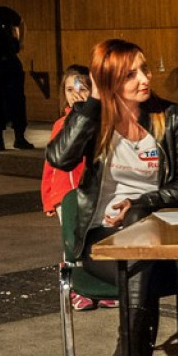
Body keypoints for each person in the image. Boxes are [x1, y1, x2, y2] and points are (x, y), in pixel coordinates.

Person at [45, 39, 178, 356]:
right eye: (131, 73)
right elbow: (59, 158)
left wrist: (143, 202)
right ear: (109, 78)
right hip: (98, 238)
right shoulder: (91, 117)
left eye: (145, 69)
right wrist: (94, 102)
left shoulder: (169, 117)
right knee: (138, 265)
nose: (144, 79)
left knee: (141, 260)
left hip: (156, 233)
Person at [41, 66, 116, 311]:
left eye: (82, 88)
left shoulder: (99, 123)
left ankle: (101, 281)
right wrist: (47, 199)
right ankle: (75, 285)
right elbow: (50, 166)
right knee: (71, 240)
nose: (76, 94)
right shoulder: (61, 124)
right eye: (70, 89)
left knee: (94, 237)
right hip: (64, 195)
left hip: (92, 193)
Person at [0, 0, 32, 151]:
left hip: (11, 64)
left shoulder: (6, 13)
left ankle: (20, 138)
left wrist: (21, 42)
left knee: (17, 101)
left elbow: (21, 22)